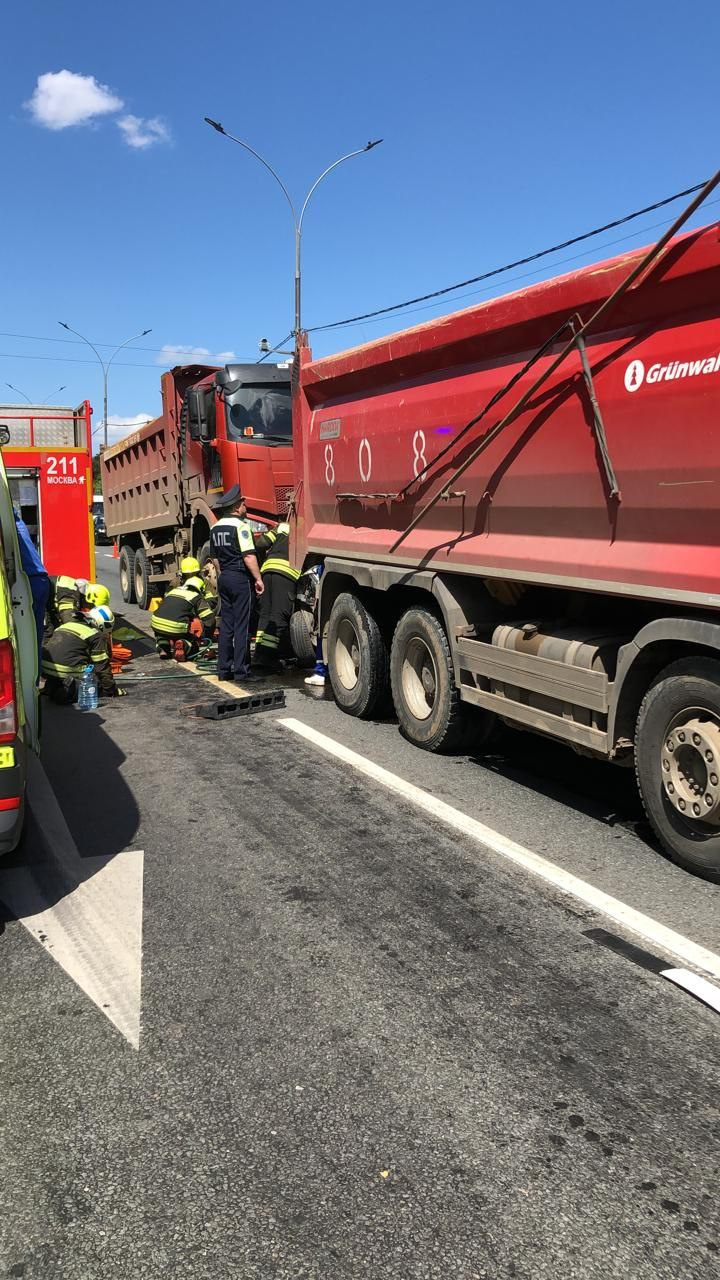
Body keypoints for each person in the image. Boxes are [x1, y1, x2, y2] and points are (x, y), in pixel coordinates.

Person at [209, 485, 264, 683]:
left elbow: (214, 559)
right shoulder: (241, 527)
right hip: (240, 578)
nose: (245, 505)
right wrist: (258, 579)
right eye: (242, 503)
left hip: (224, 577)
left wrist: (224, 575)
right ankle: (242, 671)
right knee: (242, 626)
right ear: (235, 506)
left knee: (227, 625)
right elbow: (249, 555)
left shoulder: (215, 528)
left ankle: (223, 670)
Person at [41, 605, 124, 702]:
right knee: (93, 682)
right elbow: (101, 667)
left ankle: (53, 686)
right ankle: (70, 690)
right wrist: (111, 689)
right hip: (66, 671)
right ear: (103, 625)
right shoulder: (96, 635)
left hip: (46, 669)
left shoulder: (67, 624)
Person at [253, 521, 299, 667]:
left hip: (267, 570)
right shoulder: (307, 528)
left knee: (265, 614)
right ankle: (268, 657)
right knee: (279, 616)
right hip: (287, 573)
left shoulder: (283, 526)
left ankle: (259, 654)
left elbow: (261, 543)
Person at [13, 509, 49, 676]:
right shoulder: (16, 522)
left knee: (25, 641)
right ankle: (34, 684)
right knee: (34, 639)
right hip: (39, 579)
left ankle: (29, 683)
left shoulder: (10, 523)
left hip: (28, 582)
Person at [151, 576, 215, 661]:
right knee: (192, 642)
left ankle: (163, 648)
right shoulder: (196, 596)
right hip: (176, 626)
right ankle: (184, 644)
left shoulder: (173, 591)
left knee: (162, 634)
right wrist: (206, 636)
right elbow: (209, 619)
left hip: (156, 621)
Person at [46, 576, 110, 631]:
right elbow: (69, 620)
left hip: (46, 600)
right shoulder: (71, 595)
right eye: (92, 607)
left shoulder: (77, 590)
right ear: (89, 597)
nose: (90, 611)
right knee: (48, 633)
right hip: (39, 600)